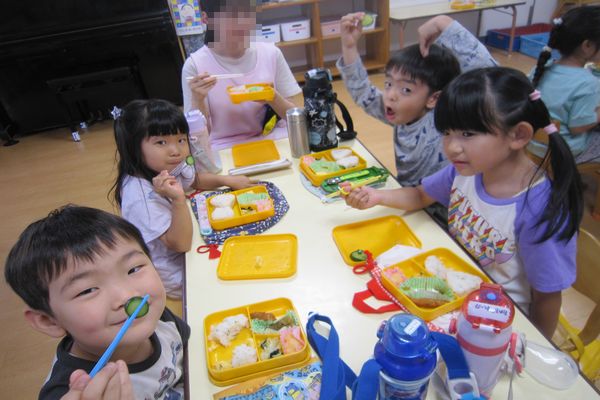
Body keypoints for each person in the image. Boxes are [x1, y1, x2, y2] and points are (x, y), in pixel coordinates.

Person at [341, 67, 583, 338]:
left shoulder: (538, 209)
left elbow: (547, 297)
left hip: (498, 321)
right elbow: (420, 195)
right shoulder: (468, 170)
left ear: (518, 135)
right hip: (453, 295)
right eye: (447, 132)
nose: (451, 147)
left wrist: (534, 346)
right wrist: (377, 197)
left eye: (467, 134)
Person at [4, 205, 190, 399]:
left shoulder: (160, 319)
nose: (127, 296)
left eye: (133, 269)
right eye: (88, 290)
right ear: (49, 321)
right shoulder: (65, 392)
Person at [111, 99, 253, 299]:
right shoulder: (139, 197)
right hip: (179, 272)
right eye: (161, 142)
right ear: (133, 147)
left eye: (181, 140)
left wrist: (225, 180)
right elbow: (180, 244)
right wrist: (178, 200)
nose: (175, 150)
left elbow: (193, 180)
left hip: (192, 240)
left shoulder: (165, 165)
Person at [337, 14, 497, 187]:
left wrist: (442, 23)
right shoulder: (402, 112)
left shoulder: (443, 121)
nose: (391, 95)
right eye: (388, 84)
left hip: (442, 202)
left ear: (433, 99)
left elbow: (491, 78)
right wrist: (349, 46)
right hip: (409, 195)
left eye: (406, 90)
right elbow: (363, 93)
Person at [182, 0, 301, 150]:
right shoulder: (195, 65)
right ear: (206, 19)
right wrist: (198, 99)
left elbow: (294, 117)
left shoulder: (271, 53)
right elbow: (197, 136)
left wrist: (273, 98)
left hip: (274, 138)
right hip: (224, 147)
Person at [530, 5, 600, 163]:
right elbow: (578, 127)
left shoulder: (540, 69)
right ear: (587, 46)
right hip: (564, 151)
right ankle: (573, 175)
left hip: (532, 143)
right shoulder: (588, 83)